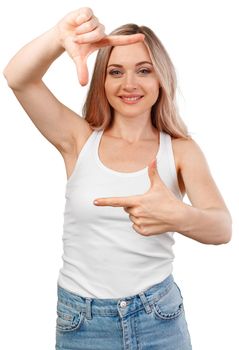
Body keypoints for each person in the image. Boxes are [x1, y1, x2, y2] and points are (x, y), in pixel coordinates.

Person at [3, 7, 232, 350]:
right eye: (115, 71)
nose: (129, 84)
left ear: (160, 79)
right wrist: (58, 37)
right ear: (102, 81)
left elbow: (222, 229)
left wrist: (179, 215)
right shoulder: (78, 140)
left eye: (143, 70)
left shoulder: (182, 151)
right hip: (83, 322)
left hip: (159, 319)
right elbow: (18, 77)